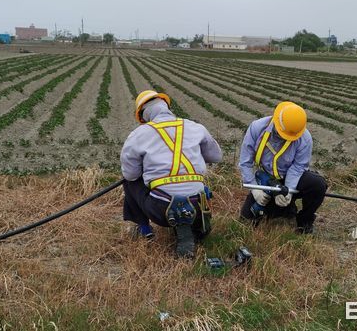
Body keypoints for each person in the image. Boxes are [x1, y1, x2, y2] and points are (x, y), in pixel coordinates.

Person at [120, 90, 222, 258]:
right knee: (198, 185)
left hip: (160, 209)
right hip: (198, 204)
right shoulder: (195, 127)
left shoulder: (138, 135)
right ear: (167, 106)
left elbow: (130, 174)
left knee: (129, 181)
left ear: (143, 115)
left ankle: (144, 229)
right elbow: (216, 156)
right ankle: (197, 224)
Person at [239, 101, 327, 234]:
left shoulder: (305, 138)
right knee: (246, 222)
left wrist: (289, 192)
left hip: (291, 177)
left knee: (318, 185)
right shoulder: (257, 128)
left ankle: (304, 221)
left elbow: (298, 167)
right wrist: (255, 189)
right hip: (266, 179)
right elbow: (245, 163)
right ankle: (280, 210)